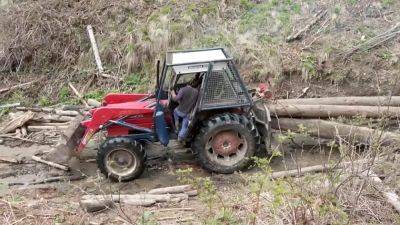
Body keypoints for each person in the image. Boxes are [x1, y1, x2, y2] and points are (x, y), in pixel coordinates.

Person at [171, 75, 200, 142]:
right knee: (184, 126)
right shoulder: (196, 92)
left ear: (186, 84)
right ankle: (180, 137)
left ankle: (177, 123)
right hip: (188, 113)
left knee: (175, 111)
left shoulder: (183, 90)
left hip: (180, 112)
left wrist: (173, 93)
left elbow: (175, 99)